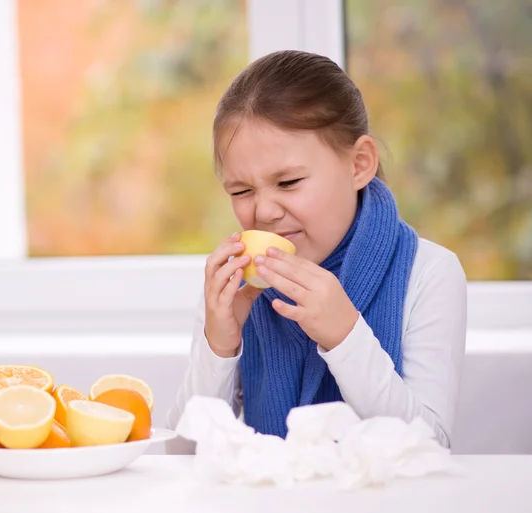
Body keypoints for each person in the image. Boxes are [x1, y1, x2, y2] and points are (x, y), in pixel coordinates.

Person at [166, 50, 467, 452]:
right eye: (241, 191)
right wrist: (219, 345)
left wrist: (345, 336)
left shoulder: (429, 273)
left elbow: (430, 447)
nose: (265, 212)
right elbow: (182, 454)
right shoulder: (237, 289)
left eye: (288, 182)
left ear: (359, 164)